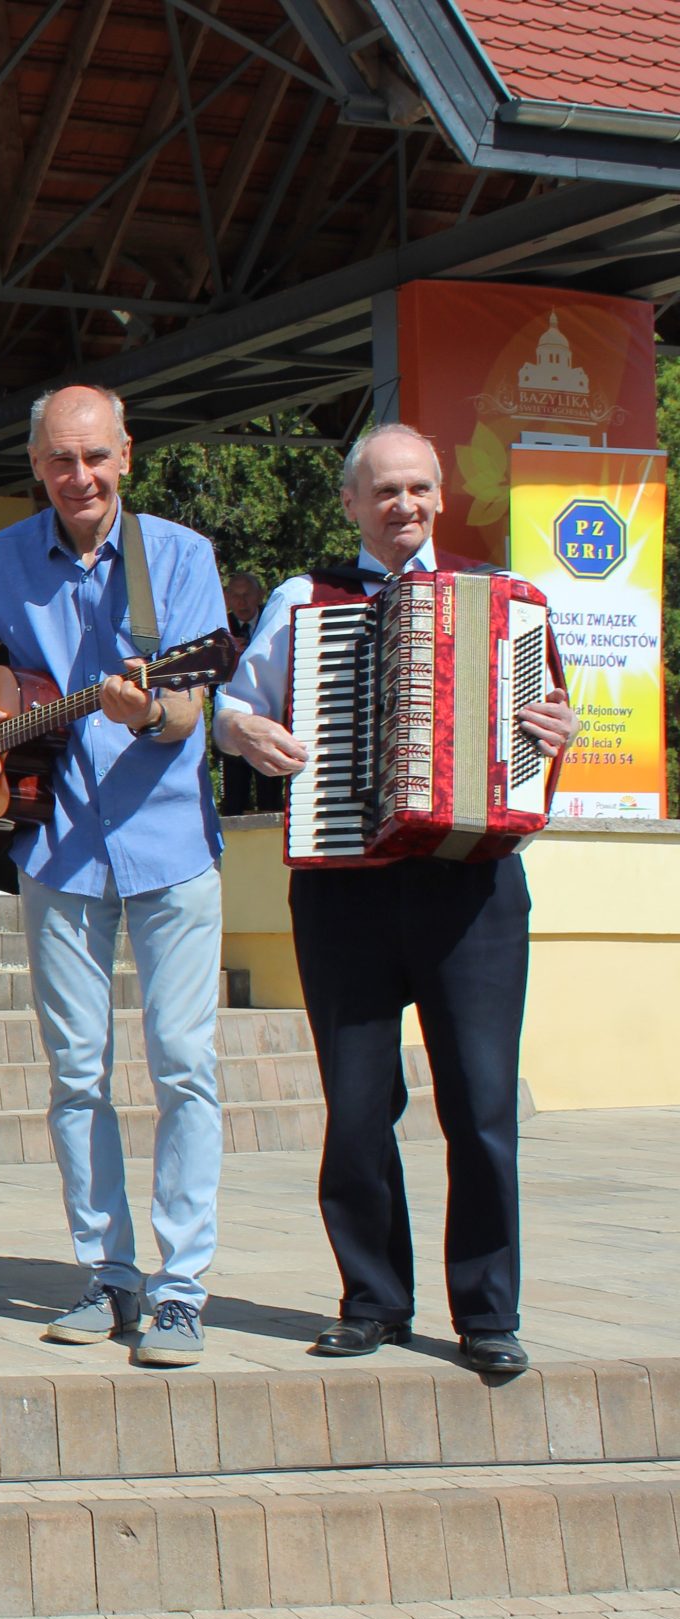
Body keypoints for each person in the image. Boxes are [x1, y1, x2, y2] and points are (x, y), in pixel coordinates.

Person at [213, 422, 578, 1375]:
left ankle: (488, 1313)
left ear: (441, 493)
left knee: (483, 1106)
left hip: (473, 888)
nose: (404, 506)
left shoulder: (507, 600)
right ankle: (372, 1298)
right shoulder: (306, 601)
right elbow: (228, 708)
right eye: (384, 491)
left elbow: (546, 734)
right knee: (360, 1105)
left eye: (419, 488)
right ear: (351, 503)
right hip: (347, 886)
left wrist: (556, 728)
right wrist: (251, 733)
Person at [0, 383, 230, 1369]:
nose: (79, 476)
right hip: (53, 847)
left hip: (172, 849)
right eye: (60, 459)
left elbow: (184, 710)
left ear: (125, 455)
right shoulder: (1, 560)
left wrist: (144, 711)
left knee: (182, 1064)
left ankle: (179, 1290)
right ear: (37, 464)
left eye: (95, 457)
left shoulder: (177, 558)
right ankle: (107, 1273)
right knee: (77, 1073)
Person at [218, 572, 284, 815]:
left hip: (270, 716)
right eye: (235, 596)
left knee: (271, 794)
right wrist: (225, 654)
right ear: (226, 598)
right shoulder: (219, 628)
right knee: (234, 797)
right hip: (233, 718)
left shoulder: (273, 620)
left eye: (247, 595)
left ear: (259, 596)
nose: (241, 602)